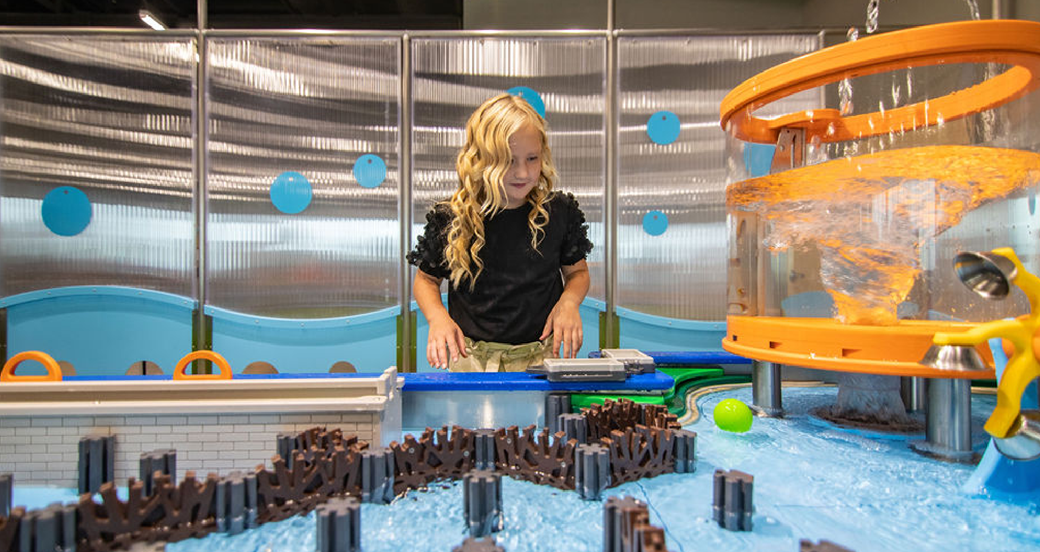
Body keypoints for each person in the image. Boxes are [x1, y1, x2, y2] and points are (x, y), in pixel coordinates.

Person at [407, 92, 593, 372]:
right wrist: (437, 318)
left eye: (532, 158)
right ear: (481, 159)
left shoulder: (559, 212)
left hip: (542, 360)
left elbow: (577, 273)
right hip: (470, 361)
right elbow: (425, 281)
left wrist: (569, 301)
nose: (522, 173)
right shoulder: (454, 217)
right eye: (508, 161)